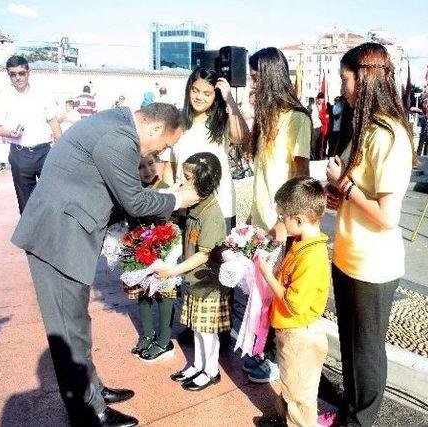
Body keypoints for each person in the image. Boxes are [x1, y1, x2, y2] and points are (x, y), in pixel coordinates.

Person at [11, 102, 200, 427]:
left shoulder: (116, 125)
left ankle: (92, 390)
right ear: (155, 129)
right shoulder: (120, 137)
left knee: (77, 324)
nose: (164, 151)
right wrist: (175, 199)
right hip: (57, 236)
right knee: (68, 330)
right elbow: (134, 201)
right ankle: (88, 411)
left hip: (65, 231)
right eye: (167, 144)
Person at [326, 42, 414, 426]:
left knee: (366, 352)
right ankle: (350, 409)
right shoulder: (364, 129)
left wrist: (344, 186)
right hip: (348, 256)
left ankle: (361, 420)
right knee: (351, 347)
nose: (342, 87)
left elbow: (387, 215)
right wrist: (337, 190)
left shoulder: (389, 136)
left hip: (372, 265)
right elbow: (355, 193)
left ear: (363, 79)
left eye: (345, 79)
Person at [244, 47, 312, 384]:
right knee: (261, 289)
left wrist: (285, 221)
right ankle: (259, 350)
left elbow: (301, 179)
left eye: (256, 77)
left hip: (281, 223)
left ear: (269, 76)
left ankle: (271, 358)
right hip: (261, 220)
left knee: (277, 291)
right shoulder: (266, 116)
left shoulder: (296, 118)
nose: (253, 84)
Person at [256, 176, 330, 427]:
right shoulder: (301, 242)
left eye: (282, 217)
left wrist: (267, 275)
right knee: (290, 382)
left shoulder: (312, 257)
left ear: (298, 219)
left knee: (300, 393)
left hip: (301, 333)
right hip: (291, 329)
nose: (280, 222)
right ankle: (284, 418)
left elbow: (293, 303)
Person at [156, 152, 230, 392]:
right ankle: (198, 364)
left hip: (208, 284)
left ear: (203, 182)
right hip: (195, 280)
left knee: (207, 331)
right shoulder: (195, 206)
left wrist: (173, 271)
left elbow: (203, 254)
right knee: (198, 327)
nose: (183, 182)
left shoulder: (211, 215)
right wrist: (177, 190)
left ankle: (211, 370)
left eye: (188, 178)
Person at [163, 67, 250, 232]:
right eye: (195, 91)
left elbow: (241, 137)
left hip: (219, 208)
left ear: (215, 97)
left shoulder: (222, 123)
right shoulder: (177, 124)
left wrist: (229, 100)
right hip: (184, 208)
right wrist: (168, 205)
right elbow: (169, 169)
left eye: (207, 93)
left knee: (218, 257)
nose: (199, 97)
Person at [0, 55, 62, 213]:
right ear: (8, 75)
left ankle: (54, 233)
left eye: (21, 73)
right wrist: (9, 132)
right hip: (20, 155)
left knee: (54, 195)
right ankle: (31, 235)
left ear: (28, 72)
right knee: (26, 203)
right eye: (13, 74)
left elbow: (53, 121)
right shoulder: (3, 98)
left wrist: (61, 144)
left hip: (45, 153)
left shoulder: (43, 94)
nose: (18, 77)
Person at [129, 154, 177, 363]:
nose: (147, 170)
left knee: (164, 293)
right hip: (138, 249)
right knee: (142, 293)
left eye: (150, 164)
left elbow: (174, 220)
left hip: (163, 251)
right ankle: (147, 334)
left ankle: (165, 339)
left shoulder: (166, 188)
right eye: (140, 167)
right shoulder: (131, 190)